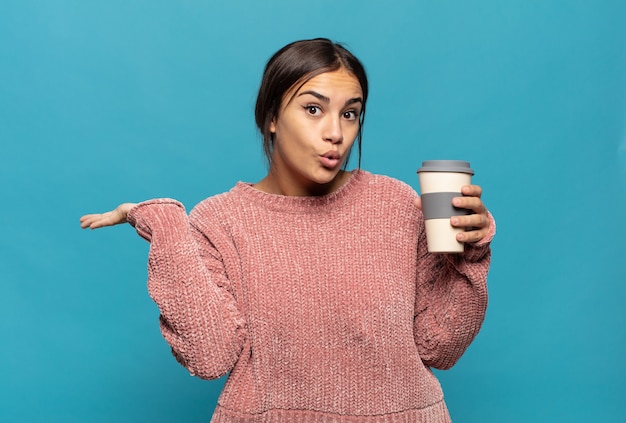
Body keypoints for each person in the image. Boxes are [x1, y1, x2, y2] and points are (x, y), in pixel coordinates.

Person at [80, 38, 495, 423]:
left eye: (350, 113)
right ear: (272, 117)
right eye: (313, 109)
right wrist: (166, 224)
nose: (335, 132)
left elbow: (440, 346)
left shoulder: (397, 204)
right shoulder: (219, 220)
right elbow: (209, 356)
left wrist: (469, 254)